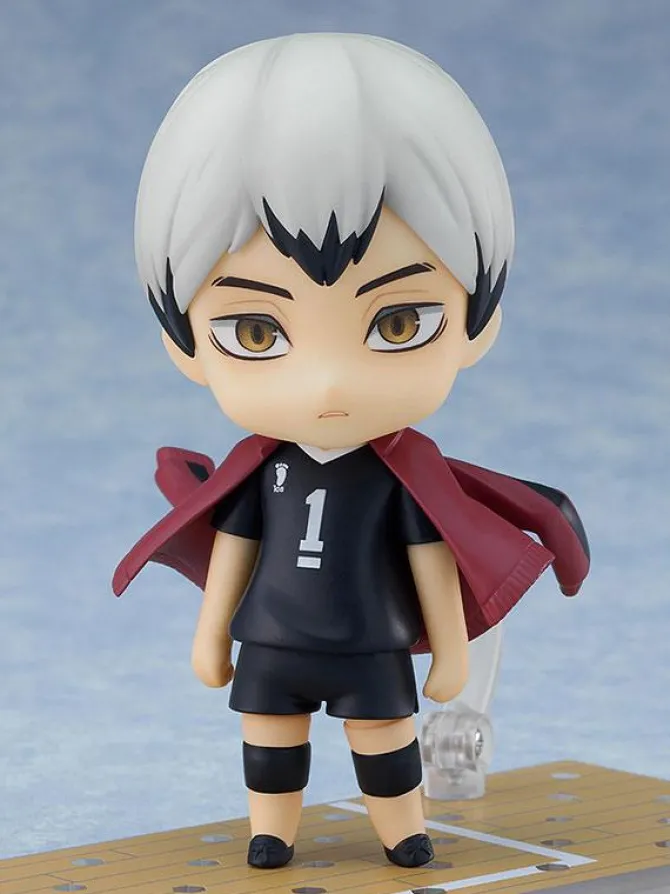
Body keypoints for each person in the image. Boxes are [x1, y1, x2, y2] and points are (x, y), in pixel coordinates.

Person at [114, 33, 590, 870]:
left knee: (386, 741)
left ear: (478, 324)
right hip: (273, 639)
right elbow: (234, 549)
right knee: (269, 741)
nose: (329, 379)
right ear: (184, 345)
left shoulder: (399, 476)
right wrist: (210, 636)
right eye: (255, 332)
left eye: (398, 323)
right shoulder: (265, 471)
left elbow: (430, 556)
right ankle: (272, 830)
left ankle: (402, 829)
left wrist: (450, 651)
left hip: (373, 638)